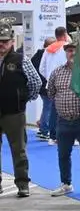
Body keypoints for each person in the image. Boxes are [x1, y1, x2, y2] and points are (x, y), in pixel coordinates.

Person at [48, 42, 80, 197]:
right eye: (69, 51)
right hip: (63, 120)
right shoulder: (57, 72)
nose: (72, 54)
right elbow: (51, 92)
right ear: (65, 53)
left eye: (75, 52)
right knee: (63, 154)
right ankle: (66, 184)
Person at [0, 24, 41, 197]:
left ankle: (23, 184)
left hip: (14, 112)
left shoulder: (20, 59)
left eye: (5, 41)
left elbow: (35, 82)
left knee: (19, 150)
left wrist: (22, 99)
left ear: (11, 41)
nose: (1, 44)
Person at [39, 27, 70, 145]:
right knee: (69, 108)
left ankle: (52, 136)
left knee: (53, 109)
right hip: (67, 82)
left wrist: (49, 78)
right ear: (65, 34)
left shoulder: (48, 49)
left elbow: (42, 68)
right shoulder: (69, 47)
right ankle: (67, 135)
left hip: (51, 83)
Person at [34, 38, 53, 141]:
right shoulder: (48, 55)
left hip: (42, 86)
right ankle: (44, 130)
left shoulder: (38, 55)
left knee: (46, 107)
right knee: (48, 107)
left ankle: (43, 129)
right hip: (46, 85)